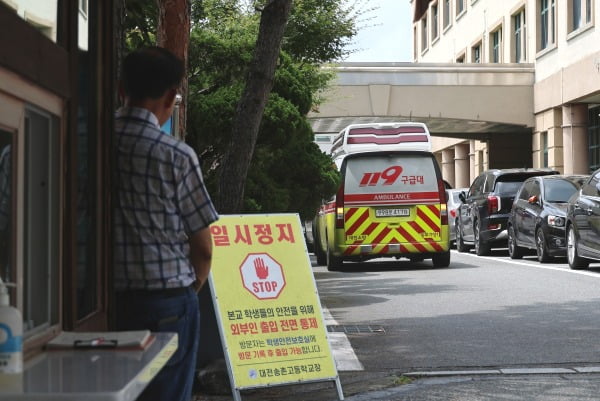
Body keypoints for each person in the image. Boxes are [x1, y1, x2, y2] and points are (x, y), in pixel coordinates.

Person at [113, 46, 219, 401]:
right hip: (166, 304)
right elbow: (202, 248)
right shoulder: (175, 155)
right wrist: (190, 292)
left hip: (93, 304)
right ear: (171, 96)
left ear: (120, 89)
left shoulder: (83, 143)